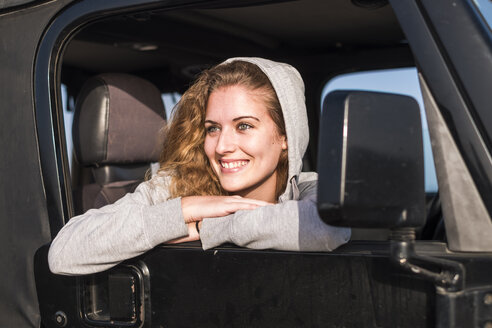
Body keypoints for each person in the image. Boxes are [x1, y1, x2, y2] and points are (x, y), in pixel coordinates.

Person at [48, 57, 351, 275]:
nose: (221, 146)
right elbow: (63, 253)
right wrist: (180, 212)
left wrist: (209, 227)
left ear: (285, 136)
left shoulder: (311, 186)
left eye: (244, 126)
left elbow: (326, 228)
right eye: (212, 128)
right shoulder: (175, 186)